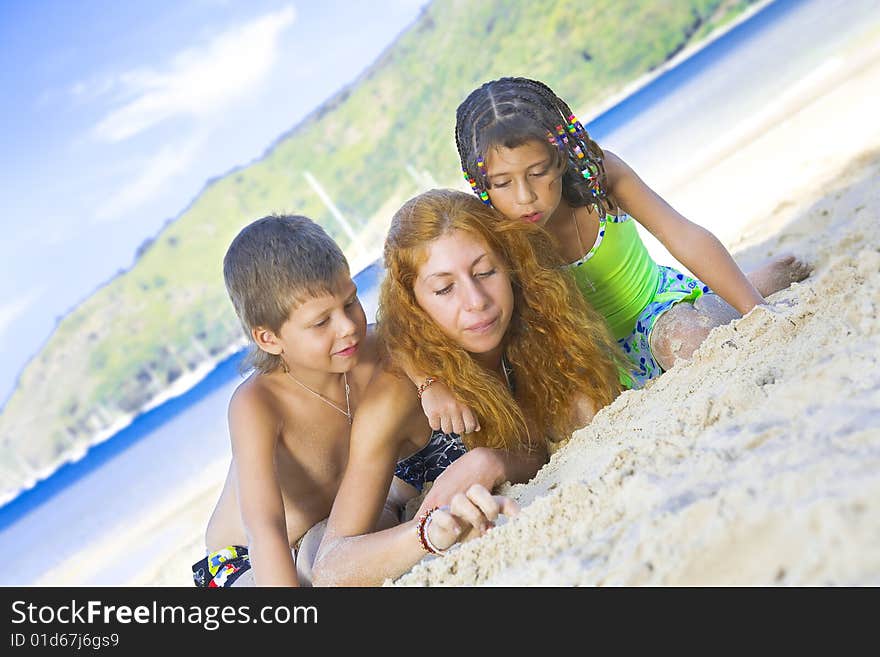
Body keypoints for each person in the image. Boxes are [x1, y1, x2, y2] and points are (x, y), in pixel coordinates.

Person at [414, 76, 811, 431]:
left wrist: (758, 311)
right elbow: (407, 320)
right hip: (585, 351)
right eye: (502, 182)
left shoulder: (599, 178)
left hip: (655, 310)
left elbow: (681, 234)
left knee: (691, 341)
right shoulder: (493, 228)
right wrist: (429, 385)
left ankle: (747, 289)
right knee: (577, 421)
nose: (525, 196)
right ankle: (735, 291)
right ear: (479, 182)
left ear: (562, 155)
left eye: (538, 173)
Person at [311, 188, 624, 586]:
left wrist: (491, 462)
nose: (476, 301)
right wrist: (426, 533)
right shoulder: (397, 394)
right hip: (398, 508)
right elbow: (331, 566)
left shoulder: (537, 326)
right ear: (413, 303)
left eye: (484, 272)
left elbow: (548, 441)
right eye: (444, 289)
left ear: (509, 264)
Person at [191, 214, 400, 587]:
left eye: (350, 302)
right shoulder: (257, 404)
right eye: (321, 323)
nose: (347, 326)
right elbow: (264, 529)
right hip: (247, 557)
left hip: (332, 525)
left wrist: (432, 383)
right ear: (269, 339)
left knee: (362, 533)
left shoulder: (374, 348)